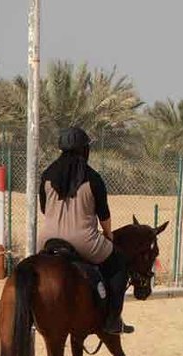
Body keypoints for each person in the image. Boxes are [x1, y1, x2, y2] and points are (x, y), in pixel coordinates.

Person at [38, 127, 133, 335]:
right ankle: (113, 319)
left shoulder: (46, 175)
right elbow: (104, 216)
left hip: (48, 239)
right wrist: (108, 236)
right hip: (83, 241)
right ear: (85, 150)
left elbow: (44, 209)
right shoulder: (93, 178)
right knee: (119, 263)